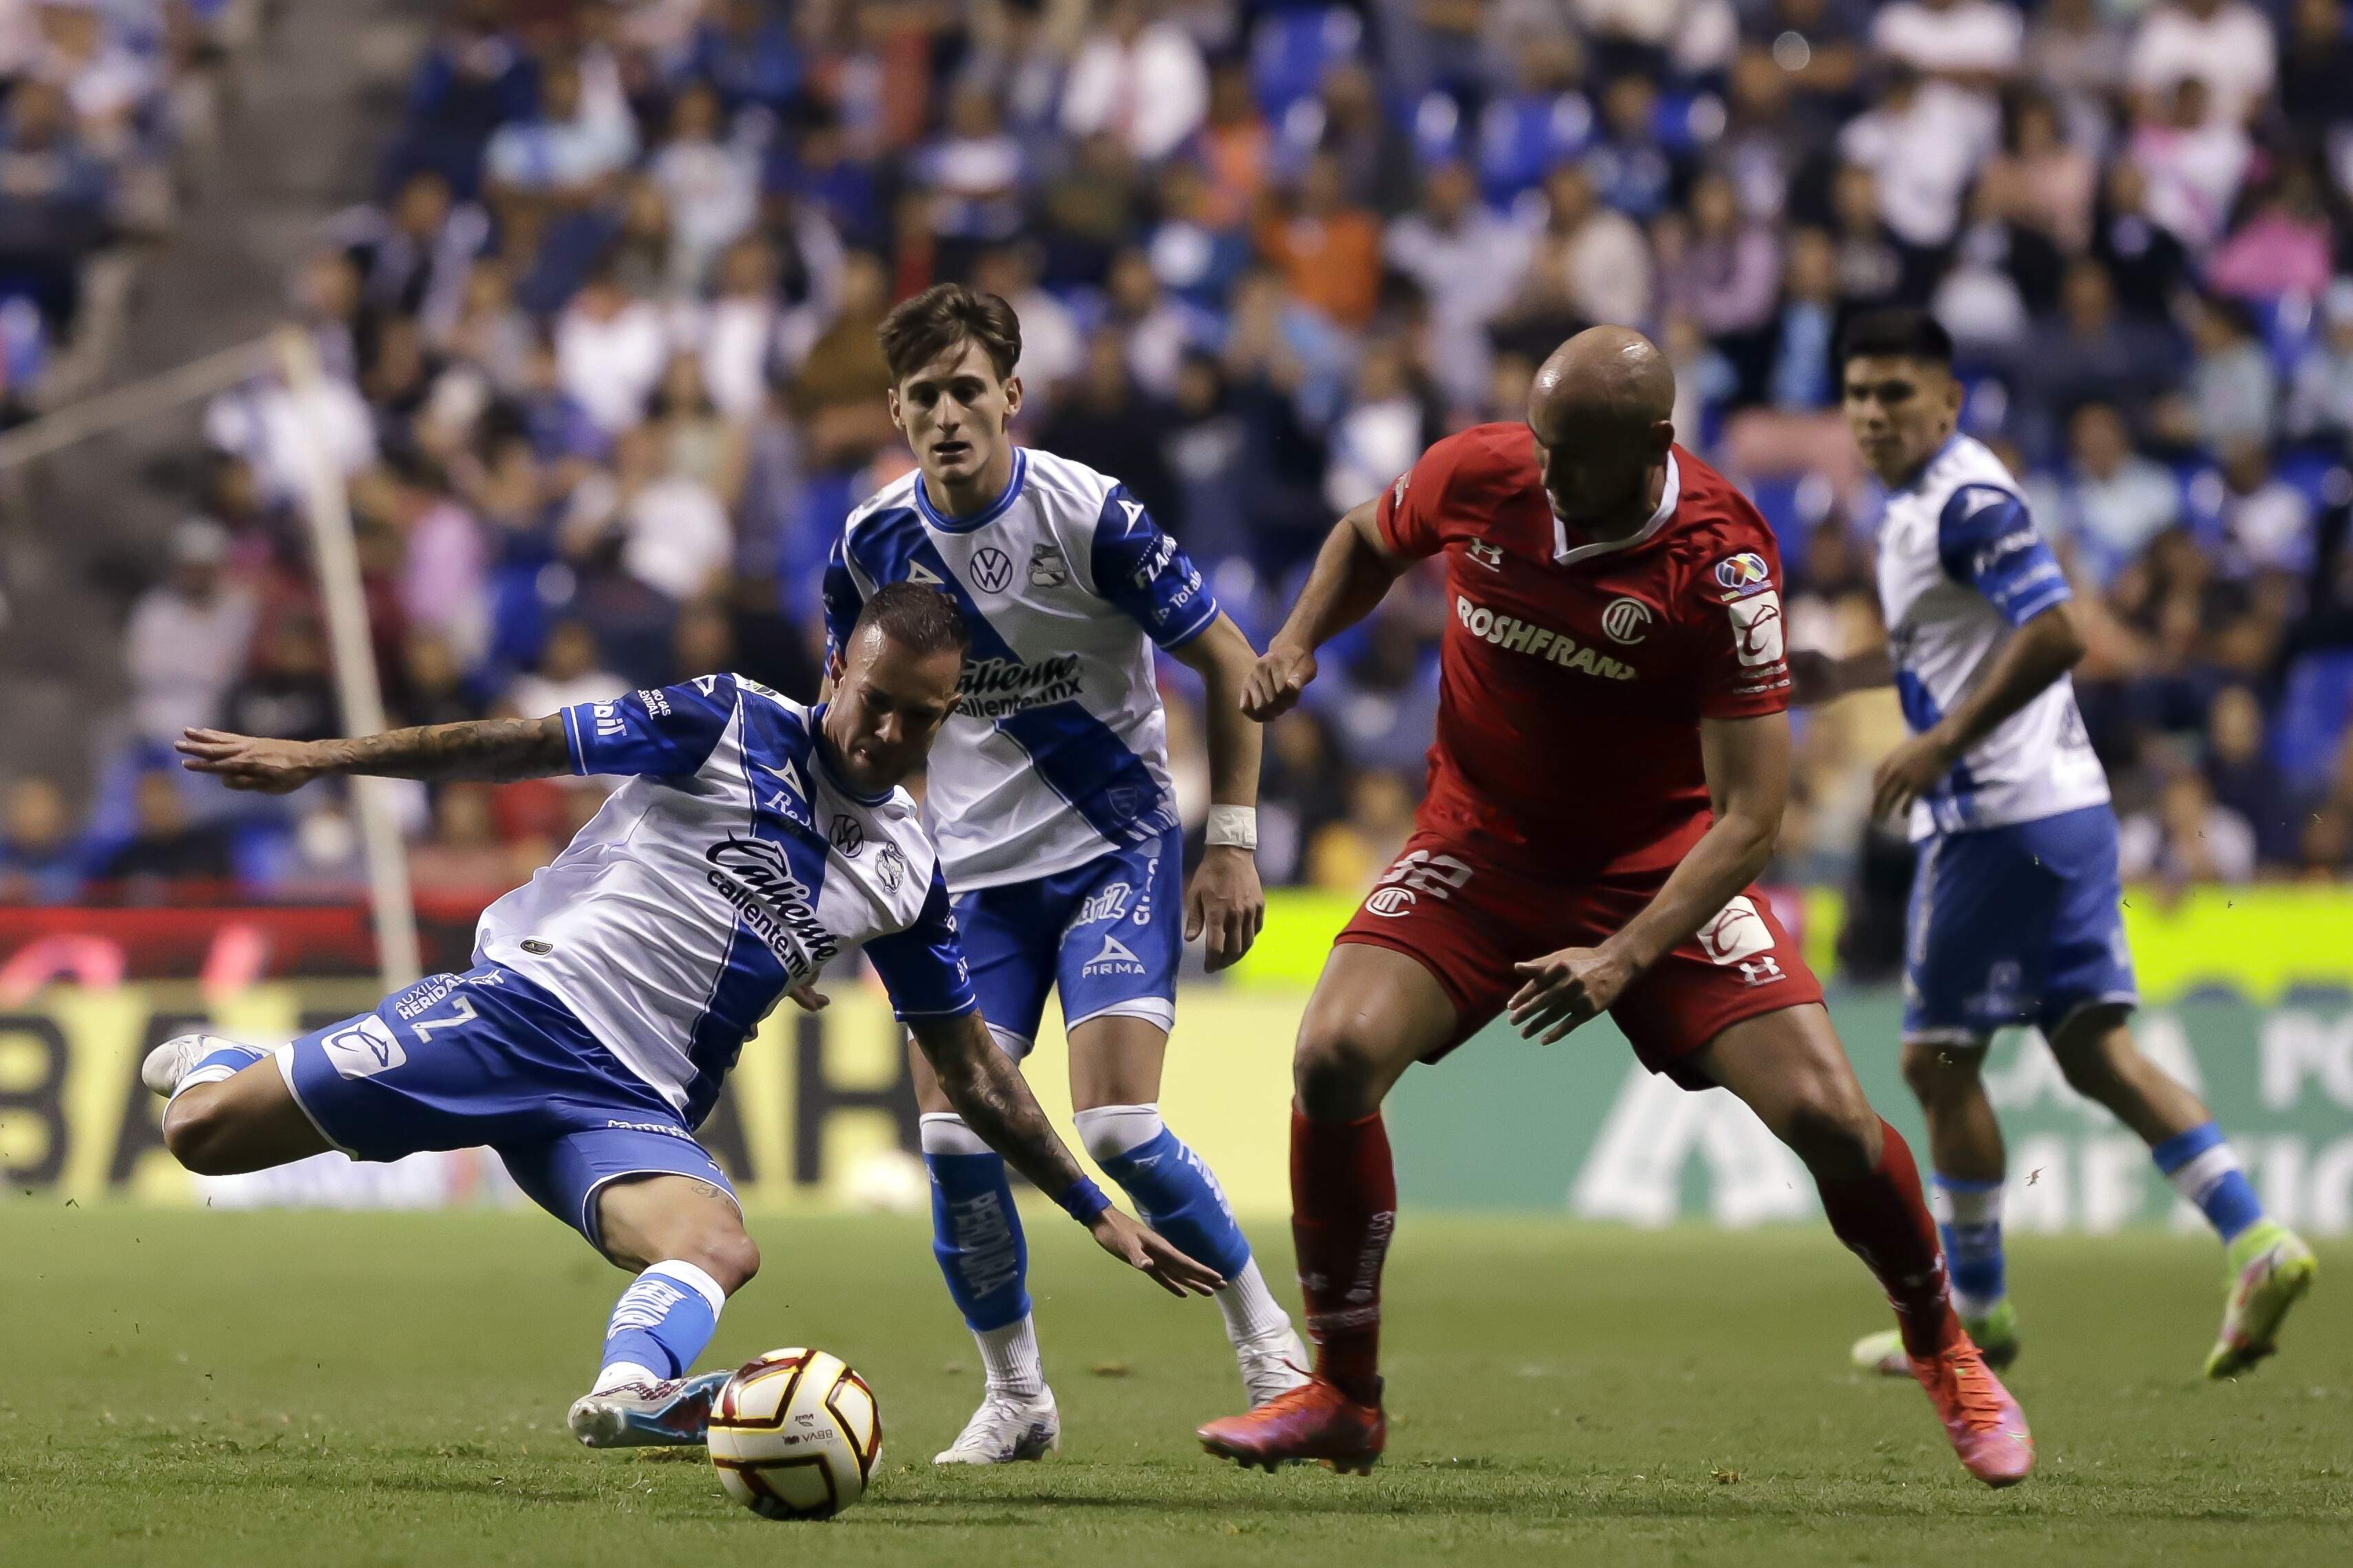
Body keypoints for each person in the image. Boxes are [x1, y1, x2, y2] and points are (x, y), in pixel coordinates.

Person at [1192, 325, 2033, 1489]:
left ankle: (1945, 1348)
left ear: (1653, 445)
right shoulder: (1486, 470)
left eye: (1573, 459)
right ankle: (1344, 1392)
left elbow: (1750, 819)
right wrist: (1293, 645)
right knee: (1331, 1056)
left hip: (1656, 870)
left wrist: (1626, 957)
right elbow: (1362, 538)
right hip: (1480, 848)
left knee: (1834, 1121)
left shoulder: (1722, 564)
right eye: (1539, 448)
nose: (1545, 479)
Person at [149, 584, 1220, 1451]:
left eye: (923, 719)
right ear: (836, 668)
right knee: (200, 1135)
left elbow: (973, 1068)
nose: (889, 733)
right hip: (521, 1011)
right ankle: (229, 1059)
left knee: (718, 1242)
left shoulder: (905, 870)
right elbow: (513, 747)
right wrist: (319, 761)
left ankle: (629, 1394)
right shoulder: (727, 717)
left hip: (632, 1103)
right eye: (876, 699)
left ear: (952, 716)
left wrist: (1091, 1206)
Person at [822, 283, 1308, 1467]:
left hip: (1111, 842)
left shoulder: (1092, 516)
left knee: (1119, 1123)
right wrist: (820, 881)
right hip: (971, 875)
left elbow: (1233, 662)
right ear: (896, 408)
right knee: (950, 1140)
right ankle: (1019, 1398)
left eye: (969, 392)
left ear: (1012, 398)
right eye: (925, 396)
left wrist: (1232, 838)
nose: (948, 416)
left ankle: (1272, 1350)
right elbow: (844, 722)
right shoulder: (869, 544)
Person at [1793, 308, 2314, 1383]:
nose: (1876, 413)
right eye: (1859, 395)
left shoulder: (1968, 498)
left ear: (1946, 398)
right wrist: (1843, 681)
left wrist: (1939, 742)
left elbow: (2061, 630)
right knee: (2093, 1052)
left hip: (1998, 815)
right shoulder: (1914, 512)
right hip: (2062, 812)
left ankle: (1977, 1307)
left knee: (1934, 1062)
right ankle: (2256, 1239)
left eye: (1898, 392)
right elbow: (1951, 641)